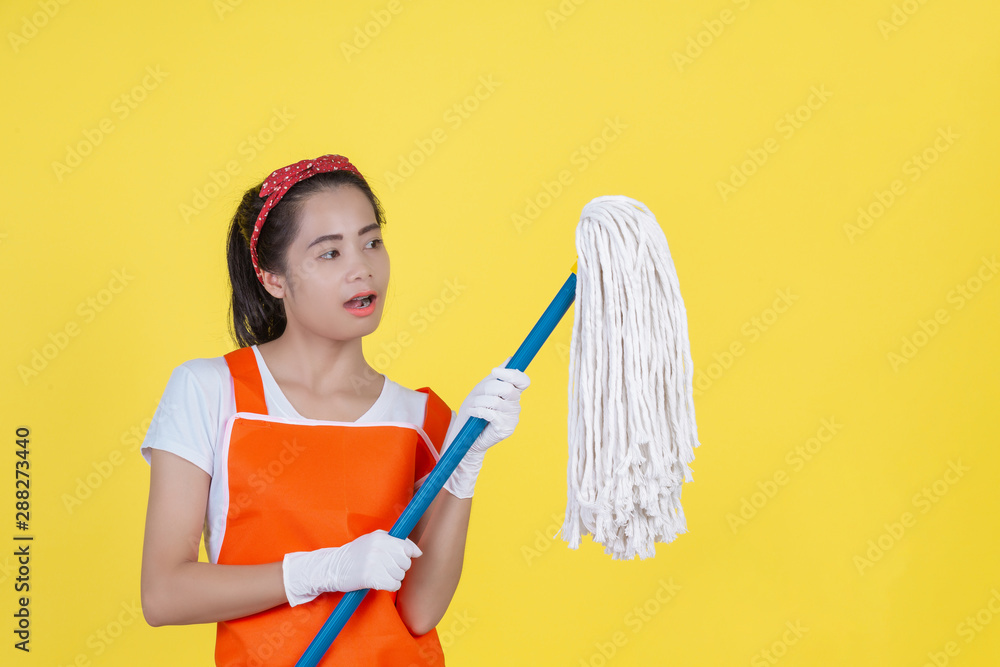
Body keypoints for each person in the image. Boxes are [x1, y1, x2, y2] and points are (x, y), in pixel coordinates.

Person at [139, 154, 531, 665]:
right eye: (329, 253)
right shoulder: (212, 392)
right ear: (272, 278)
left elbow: (419, 613)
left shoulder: (422, 417)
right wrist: (324, 571)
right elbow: (164, 593)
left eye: (372, 242)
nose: (361, 267)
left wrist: (464, 470)